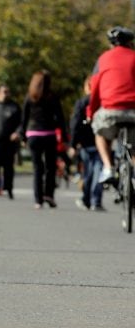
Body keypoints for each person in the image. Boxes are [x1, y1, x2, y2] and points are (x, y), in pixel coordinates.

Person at [87, 26, 135, 185]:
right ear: (130, 43)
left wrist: (90, 113)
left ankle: (108, 167)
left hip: (111, 111)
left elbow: (94, 90)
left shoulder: (103, 59)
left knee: (100, 134)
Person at [22, 70, 67, 209]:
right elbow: (60, 118)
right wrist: (64, 136)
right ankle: (48, 194)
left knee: (37, 168)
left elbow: (24, 118)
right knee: (50, 167)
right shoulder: (52, 97)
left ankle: (38, 199)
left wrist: (23, 136)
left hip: (33, 135)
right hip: (48, 134)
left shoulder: (30, 97)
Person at [70, 76, 104, 211]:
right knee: (98, 172)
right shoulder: (103, 102)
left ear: (87, 87)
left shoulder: (82, 102)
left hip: (86, 143)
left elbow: (75, 123)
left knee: (88, 173)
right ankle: (96, 200)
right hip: (101, 142)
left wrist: (73, 143)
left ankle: (86, 199)